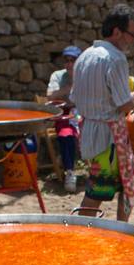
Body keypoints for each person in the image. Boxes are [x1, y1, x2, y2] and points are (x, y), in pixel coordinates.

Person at [72, 4, 134, 221]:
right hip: (110, 137)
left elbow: (74, 97)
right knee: (96, 191)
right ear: (117, 32)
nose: (133, 40)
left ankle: (123, 231)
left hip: (90, 132)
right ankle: (81, 234)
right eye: (132, 34)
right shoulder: (116, 59)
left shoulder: (85, 56)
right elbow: (124, 105)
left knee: (124, 184)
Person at [47, 46, 82, 193]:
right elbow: (50, 96)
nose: (69, 64)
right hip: (65, 112)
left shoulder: (86, 76)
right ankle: (70, 172)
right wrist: (69, 87)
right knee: (66, 134)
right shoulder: (58, 75)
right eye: (66, 60)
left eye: (73, 60)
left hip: (83, 112)